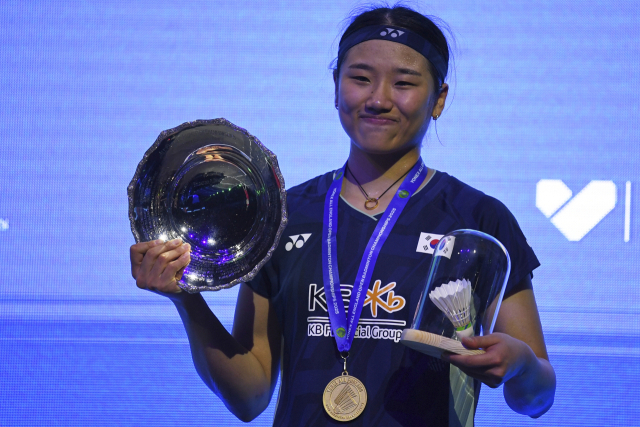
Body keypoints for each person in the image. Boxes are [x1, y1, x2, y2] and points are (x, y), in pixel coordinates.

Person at [130, 5, 556, 426]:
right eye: (360, 78)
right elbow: (249, 397)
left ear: (438, 99)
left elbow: (536, 400)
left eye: (404, 83)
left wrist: (520, 365)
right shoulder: (283, 217)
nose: (379, 99)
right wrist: (186, 298)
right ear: (336, 86)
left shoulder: (478, 218)